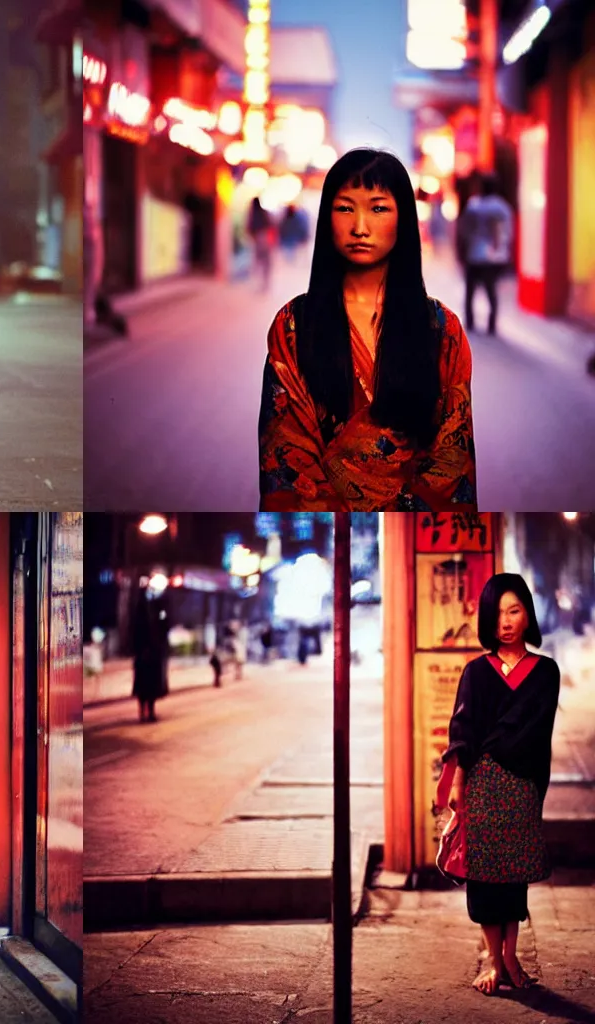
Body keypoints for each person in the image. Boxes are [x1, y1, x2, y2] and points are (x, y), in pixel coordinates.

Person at [258, 148, 477, 511]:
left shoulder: (442, 329)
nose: (360, 226)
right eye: (345, 208)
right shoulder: (294, 324)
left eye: (378, 208)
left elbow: (453, 454)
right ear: (326, 218)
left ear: (403, 219)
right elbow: (286, 451)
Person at [437, 574, 559, 996]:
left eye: (515, 610)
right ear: (487, 619)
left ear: (527, 614)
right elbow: (463, 730)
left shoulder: (545, 671)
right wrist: (458, 784)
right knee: (485, 874)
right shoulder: (476, 671)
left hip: (522, 782)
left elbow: (536, 731)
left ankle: (511, 956)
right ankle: (494, 958)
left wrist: (493, 746)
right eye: (498, 612)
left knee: (514, 873)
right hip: (482, 783)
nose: (506, 621)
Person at [458, 174, 514, 336]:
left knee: (470, 291)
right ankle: (491, 324)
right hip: (494, 256)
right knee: (491, 291)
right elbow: (508, 233)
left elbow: (464, 231)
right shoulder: (503, 207)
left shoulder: (473, 205)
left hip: (474, 254)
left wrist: (462, 252)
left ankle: (470, 322)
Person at [132, 593, 169, 723]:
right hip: (146, 654)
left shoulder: (157, 609)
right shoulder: (142, 612)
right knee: (146, 685)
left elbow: (165, 624)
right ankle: (145, 712)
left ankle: (148, 711)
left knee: (150, 685)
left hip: (151, 653)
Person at [247, 197, 274, 291]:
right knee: (266, 263)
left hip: (256, 240)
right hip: (265, 239)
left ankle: (258, 284)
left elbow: (249, 228)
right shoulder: (264, 212)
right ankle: (265, 284)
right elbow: (271, 224)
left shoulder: (252, 214)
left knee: (258, 262)